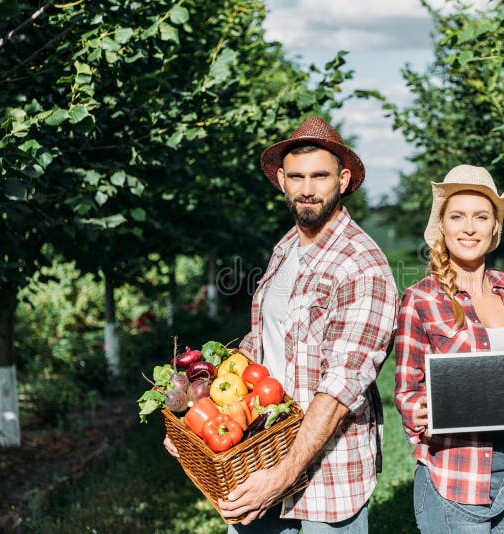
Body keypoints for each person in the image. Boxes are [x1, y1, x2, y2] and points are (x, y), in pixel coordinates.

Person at [164, 116, 398, 533]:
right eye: (297, 177)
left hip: (324, 477)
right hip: (257, 454)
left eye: (320, 176)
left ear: (343, 180)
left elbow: (341, 389)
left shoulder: (362, 266)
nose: (307, 189)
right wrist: (196, 419)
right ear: (281, 180)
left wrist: (281, 478)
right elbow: (267, 340)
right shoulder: (287, 246)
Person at [393, 164, 504, 533]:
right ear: (443, 226)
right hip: (456, 479)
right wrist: (419, 411)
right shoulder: (421, 299)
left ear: (494, 228)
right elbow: (406, 392)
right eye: (457, 216)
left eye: (481, 217)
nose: (469, 227)